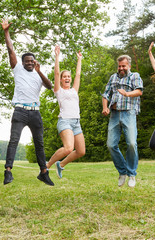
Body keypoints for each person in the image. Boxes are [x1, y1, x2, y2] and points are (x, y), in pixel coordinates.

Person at [0, 19, 54, 186]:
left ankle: (43, 172)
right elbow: (10, 50)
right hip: (20, 112)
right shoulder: (17, 69)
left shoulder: (38, 73)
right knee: (14, 140)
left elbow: (50, 86)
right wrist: (6, 32)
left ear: (35, 62)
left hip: (35, 112)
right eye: (27, 61)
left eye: (32, 61)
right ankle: (8, 172)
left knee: (39, 143)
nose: (30, 63)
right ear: (23, 62)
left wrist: (40, 71)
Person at [102, 55, 143, 188]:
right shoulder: (113, 77)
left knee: (131, 143)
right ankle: (122, 172)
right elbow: (105, 94)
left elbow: (139, 91)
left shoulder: (134, 76)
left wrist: (126, 94)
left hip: (129, 113)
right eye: (119, 66)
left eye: (123, 66)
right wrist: (105, 108)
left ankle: (132, 174)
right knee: (110, 144)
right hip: (114, 114)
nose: (121, 68)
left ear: (129, 66)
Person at [46, 45, 86, 178]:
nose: (67, 78)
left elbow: (78, 75)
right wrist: (57, 56)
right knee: (69, 148)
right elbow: (56, 74)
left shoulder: (74, 90)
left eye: (69, 76)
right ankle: (46, 166)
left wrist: (79, 59)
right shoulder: (59, 91)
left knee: (81, 151)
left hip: (76, 123)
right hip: (65, 122)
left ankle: (61, 165)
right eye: (65, 77)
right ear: (62, 79)